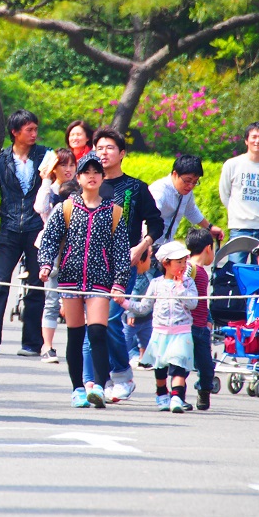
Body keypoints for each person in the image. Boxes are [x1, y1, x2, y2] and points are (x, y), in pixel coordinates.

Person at [38, 152, 130, 408]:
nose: (91, 177)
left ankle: (99, 387)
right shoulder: (65, 208)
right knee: (75, 337)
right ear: (78, 177)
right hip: (69, 280)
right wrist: (45, 264)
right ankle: (78, 388)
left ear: (102, 177)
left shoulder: (114, 212)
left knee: (98, 333)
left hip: (101, 281)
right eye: (86, 172)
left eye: (96, 172)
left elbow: (121, 250)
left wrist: (119, 281)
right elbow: (50, 240)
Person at [86, 127, 165, 402]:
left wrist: (141, 247)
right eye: (99, 147)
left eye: (109, 147)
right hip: (91, 263)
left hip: (123, 263)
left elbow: (156, 223)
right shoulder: (90, 184)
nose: (103, 153)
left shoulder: (136, 188)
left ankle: (121, 376)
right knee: (91, 326)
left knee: (107, 320)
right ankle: (91, 384)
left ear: (122, 153)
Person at [0, 110, 50, 356]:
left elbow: (58, 185)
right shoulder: (0, 160)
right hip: (9, 227)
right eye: (29, 129)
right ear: (15, 132)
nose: (34, 134)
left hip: (37, 228)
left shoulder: (45, 155)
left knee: (35, 286)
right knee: (0, 283)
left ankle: (31, 343)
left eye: (35, 129)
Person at [118, 241, 198, 413]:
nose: (183, 266)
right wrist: (124, 302)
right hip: (160, 332)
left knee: (179, 366)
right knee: (160, 368)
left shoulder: (189, 283)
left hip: (181, 332)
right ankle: (162, 393)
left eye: (185, 262)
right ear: (166, 263)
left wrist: (181, 289)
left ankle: (176, 397)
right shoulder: (156, 283)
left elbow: (193, 304)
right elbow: (144, 307)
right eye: (178, 262)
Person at [34, 148, 78, 363]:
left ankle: (76, 346)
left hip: (77, 251)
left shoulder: (81, 188)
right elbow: (39, 208)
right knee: (51, 300)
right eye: (63, 165)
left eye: (71, 165)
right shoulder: (49, 190)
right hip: (53, 251)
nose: (68, 169)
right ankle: (47, 346)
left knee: (77, 300)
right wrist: (44, 180)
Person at [219, 121, 259, 263]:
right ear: (246, 140)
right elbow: (224, 194)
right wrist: (237, 213)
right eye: (253, 137)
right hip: (239, 228)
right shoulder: (232, 164)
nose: (257, 141)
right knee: (235, 272)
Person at [148, 155, 224, 251]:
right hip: (149, 246)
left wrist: (210, 228)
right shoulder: (159, 191)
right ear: (175, 174)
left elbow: (191, 211)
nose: (190, 186)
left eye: (195, 182)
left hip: (164, 246)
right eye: (187, 181)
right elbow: (147, 219)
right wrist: (146, 246)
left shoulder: (186, 192)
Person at [185, 227, 216, 411]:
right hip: (187, 326)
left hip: (201, 327)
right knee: (181, 365)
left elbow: (204, 300)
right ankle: (177, 394)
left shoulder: (202, 271)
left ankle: (203, 391)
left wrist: (209, 318)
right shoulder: (190, 268)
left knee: (206, 366)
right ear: (208, 248)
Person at [123, 248, 153, 369]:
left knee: (146, 340)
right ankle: (122, 359)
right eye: (149, 259)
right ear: (141, 261)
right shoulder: (136, 280)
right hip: (132, 319)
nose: (150, 261)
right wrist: (130, 314)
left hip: (146, 317)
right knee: (125, 339)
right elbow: (132, 297)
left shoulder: (147, 274)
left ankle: (143, 359)